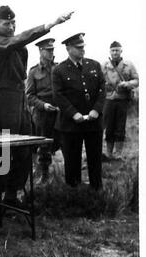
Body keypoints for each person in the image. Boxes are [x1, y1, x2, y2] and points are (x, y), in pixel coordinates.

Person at [0, 5, 73, 210]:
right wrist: (49, 24)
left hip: (19, 99)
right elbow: (17, 41)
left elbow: (19, 44)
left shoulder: (16, 45)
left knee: (25, 148)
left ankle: (11, 195)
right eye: (6, 23)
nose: (11, 26)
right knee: (3, 150)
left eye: (13, 22)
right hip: (4, 99)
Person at [52, 33, 106, 190]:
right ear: (68, 49)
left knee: (95, 159)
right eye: (78, 47)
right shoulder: (59, 70)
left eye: (83, 47)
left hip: (93, 122)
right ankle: (73, 193)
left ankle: (97, 191)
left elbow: (102, 90)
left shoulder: (94, 65)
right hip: (71, 124)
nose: (82, 50)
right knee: (72, 160)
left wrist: (96, 110)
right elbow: (58, 95)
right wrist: (73, 113)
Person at [26, 38, 60, 184]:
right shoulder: (33, 72)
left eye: (52, 49)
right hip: (42, 112)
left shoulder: (59, 68)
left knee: (63, 140)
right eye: (48, 50)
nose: (51, 52)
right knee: (43, 144)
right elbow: (29, 96)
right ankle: (44, 174)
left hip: (59, 111)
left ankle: (67, 174)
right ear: (41, 51)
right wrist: (43, 105)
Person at [101, 41, 139, 160]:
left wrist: (127, 83)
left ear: (121, 51)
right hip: (109, 99)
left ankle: (118, 154)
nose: (115, 52)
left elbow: (137, 80)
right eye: (113, 50)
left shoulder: (129, 65)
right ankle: (108, 153)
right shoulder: (104, 65)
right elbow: (99, 82)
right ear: (110, 52)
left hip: (122, 100)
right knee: (109, 126)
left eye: (117, 50)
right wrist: (104, 85)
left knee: (120, 126)